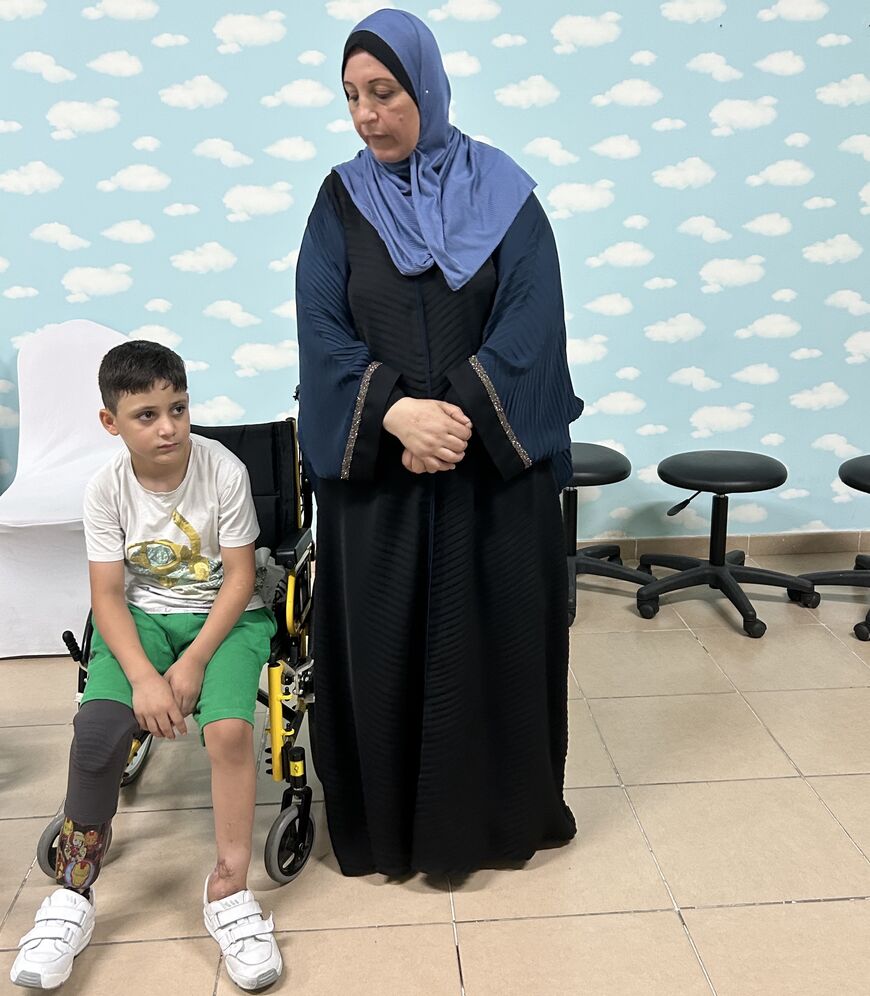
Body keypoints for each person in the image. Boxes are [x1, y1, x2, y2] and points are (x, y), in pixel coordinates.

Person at [296, 9, 584, 878]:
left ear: (426, 86)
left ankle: (494, 824)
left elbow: (534, 321)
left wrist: (452, 414)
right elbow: (320, 323)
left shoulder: (505, 193)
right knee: (383, 652)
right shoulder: (339, 199)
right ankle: (388, 831)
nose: (366, 116)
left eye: (383, 93)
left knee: (489, 651)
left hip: (487, 481)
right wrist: (391, 412)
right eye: (350, 97)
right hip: (380, 478)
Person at [10, 341, 282, 992]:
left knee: (229, 732)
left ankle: (228, 892)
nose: (168, 427)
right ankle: (72, 897)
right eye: (146, 415)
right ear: (111, 423)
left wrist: (191, 665)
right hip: (142, 620)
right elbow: (106, 597)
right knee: (99, 734)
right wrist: (142, 676)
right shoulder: (105, 488)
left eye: (178, 409)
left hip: (226, 616)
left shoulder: (224, 472)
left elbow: (242, 579)